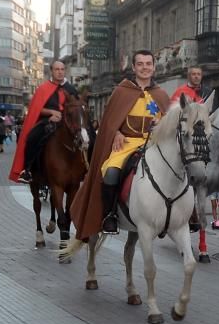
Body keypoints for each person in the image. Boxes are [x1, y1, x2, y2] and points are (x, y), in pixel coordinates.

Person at [71, 50, 170, 238]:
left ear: (154, 67)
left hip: (154, 144)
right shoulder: (122, 91)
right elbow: (109, 121)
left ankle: (184, 216)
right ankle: (110, 216)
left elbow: (172, 123)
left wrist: (162, 124)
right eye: (140, 64)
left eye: (148, 64)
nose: (144, 68)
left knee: (178, 167)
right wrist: (115, 132)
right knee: (111, 172)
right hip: (127, 143)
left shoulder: (161, 94)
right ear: (133, 67)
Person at [11, 60, 80, 184]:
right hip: (47, 121)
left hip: (68, 122)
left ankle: (88, 168)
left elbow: (77, 108)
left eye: (62, 69)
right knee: (32, 137)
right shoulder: (43, 89)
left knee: (88, 136)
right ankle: (27, 170)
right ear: (51, 72)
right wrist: (51, 113)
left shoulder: (71, 89)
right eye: (57, 69)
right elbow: (36, 108)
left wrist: (63, 115)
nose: (60, 72)